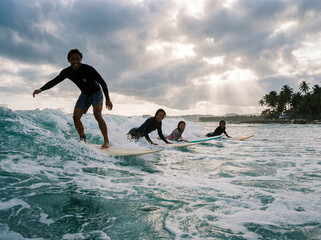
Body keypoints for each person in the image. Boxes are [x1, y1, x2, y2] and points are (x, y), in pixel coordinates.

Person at [33, 49, 113, 148]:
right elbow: (54, 81)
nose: (75, 61)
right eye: (73, 59)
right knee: (76, 117)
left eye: (77, 59)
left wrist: (108, 99)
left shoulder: (88, 69)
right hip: (84, 94)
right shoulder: (67, 72)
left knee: (97, 114)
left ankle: (106, 142)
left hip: (96, 93)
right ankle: (83, 139)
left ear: (81, 59)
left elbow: (102, 82)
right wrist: (41, 89)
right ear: (69, 60)